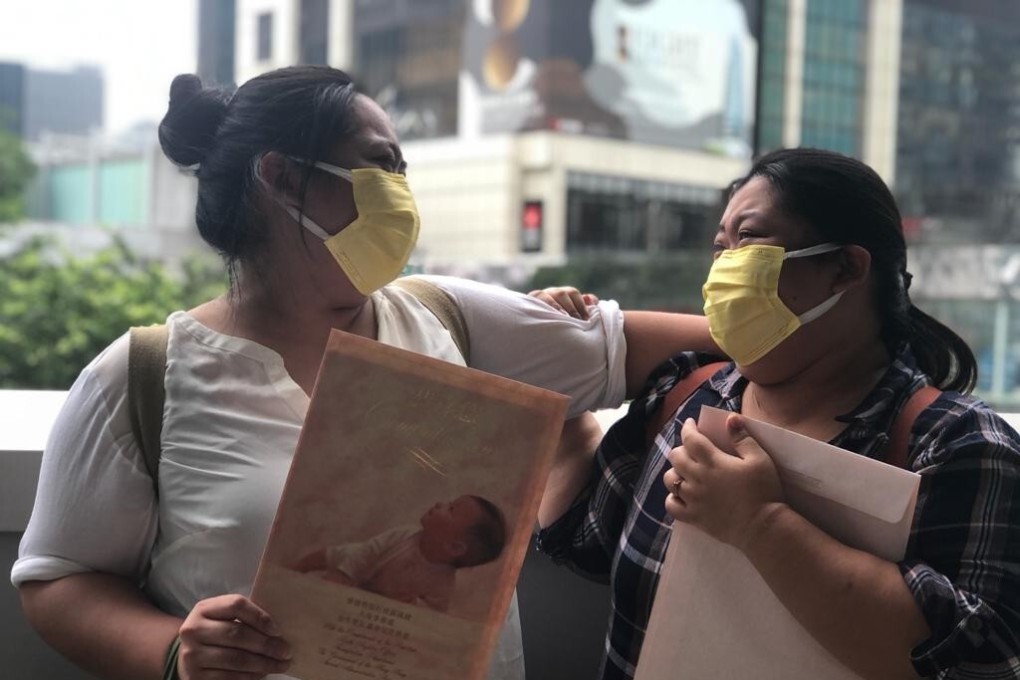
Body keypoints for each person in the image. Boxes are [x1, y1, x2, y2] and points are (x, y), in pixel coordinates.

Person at [11, 66, 716, 680]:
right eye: (382, 165)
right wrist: (175, 651)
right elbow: (59, 582)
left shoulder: (448, 318)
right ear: (282, 177)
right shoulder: (141, 378)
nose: (402, 192)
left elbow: (678, 346)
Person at [538, 148, 1020, 680]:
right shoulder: (687, 394)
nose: (723, 268)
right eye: (720, 247)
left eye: (747, 239)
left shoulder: (956, 443)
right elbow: (586, 538)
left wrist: (761, 523)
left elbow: (983, 661)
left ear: (845, 268)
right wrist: (557, 365)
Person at [292, 495, 506, 614]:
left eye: (451, 509)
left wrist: (414, 606)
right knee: (337, 554)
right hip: (365, 565)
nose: (440, 503)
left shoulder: (443, 583)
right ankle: (299, 566)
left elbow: (434, 613)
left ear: (454, 548)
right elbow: (367, 553)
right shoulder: (404, 535)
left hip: (380, 601)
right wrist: (344, 575)